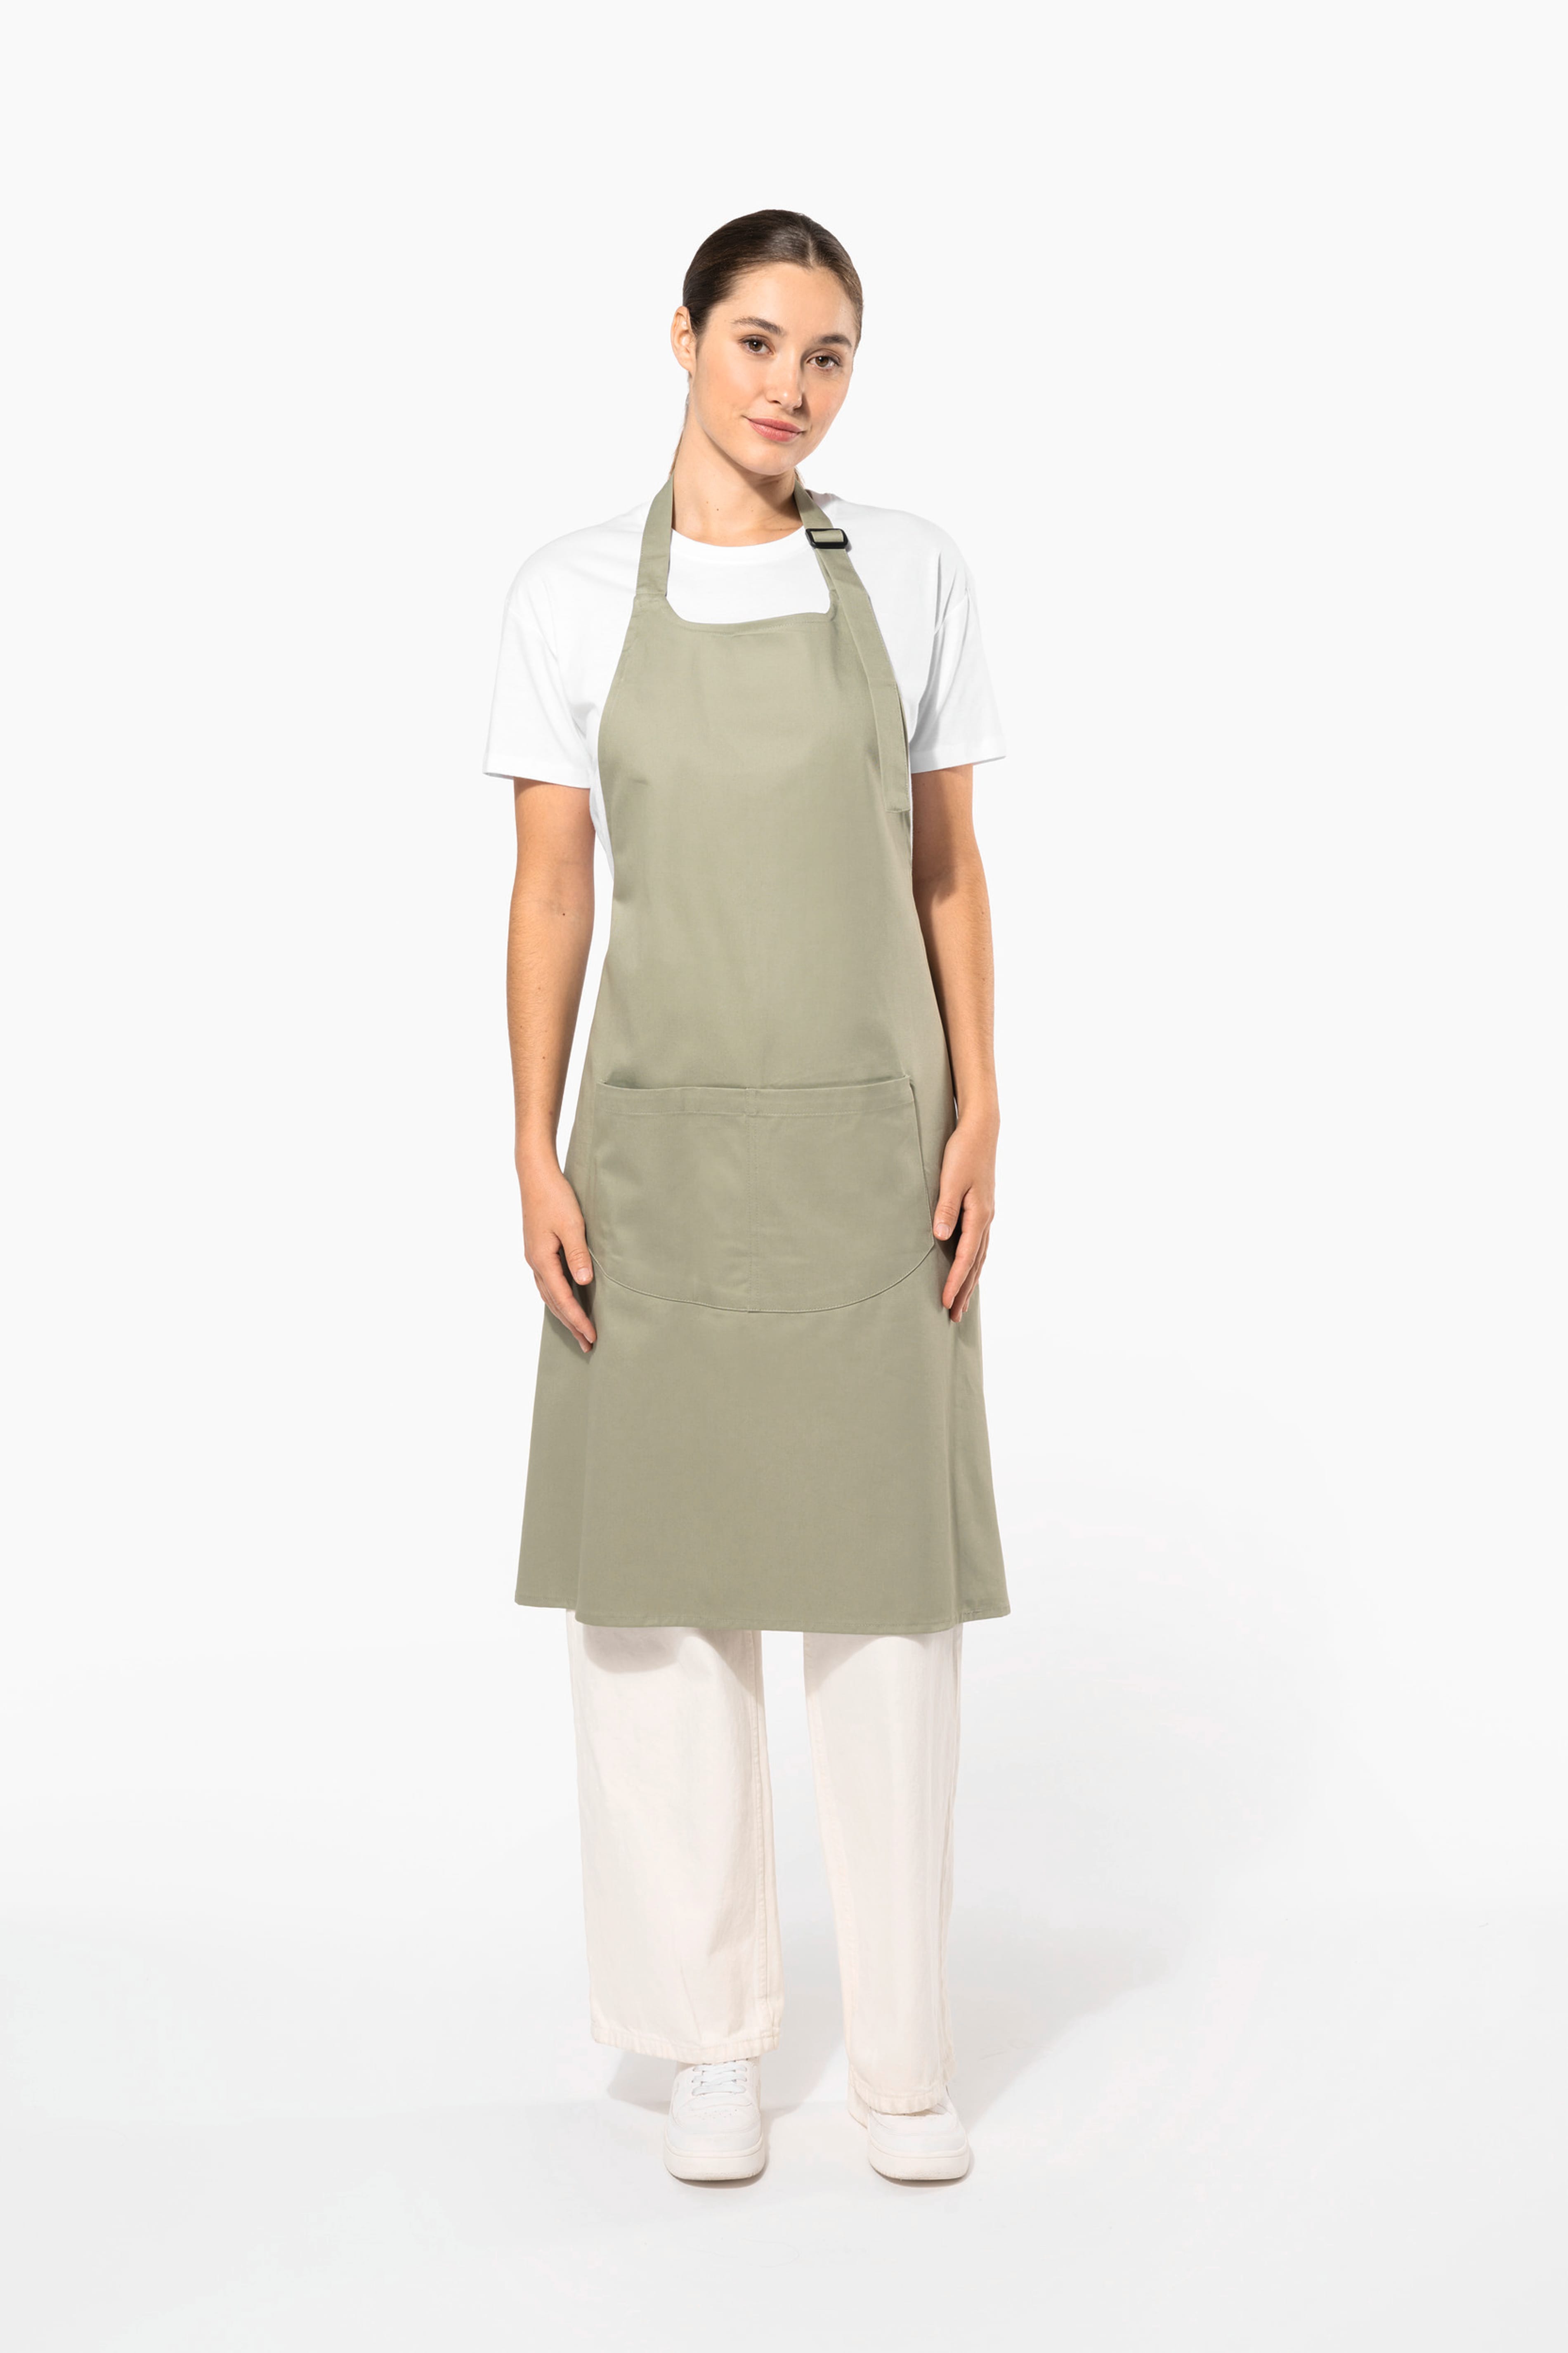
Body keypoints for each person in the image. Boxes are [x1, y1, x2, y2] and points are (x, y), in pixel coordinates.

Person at [484, 210, 1008, 2185]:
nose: (792, 388)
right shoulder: (565, 597)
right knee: (658, 1598)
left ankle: (900, 2058)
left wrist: (982, 1103)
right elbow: (552, 890)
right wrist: (528, 1144)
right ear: (683, 339)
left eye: (830, 354)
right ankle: (702, 2040)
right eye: (760, 342)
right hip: (657, 1157)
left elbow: (944, 868)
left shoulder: (914, 576)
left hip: (871, 1151)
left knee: (887, 1607)